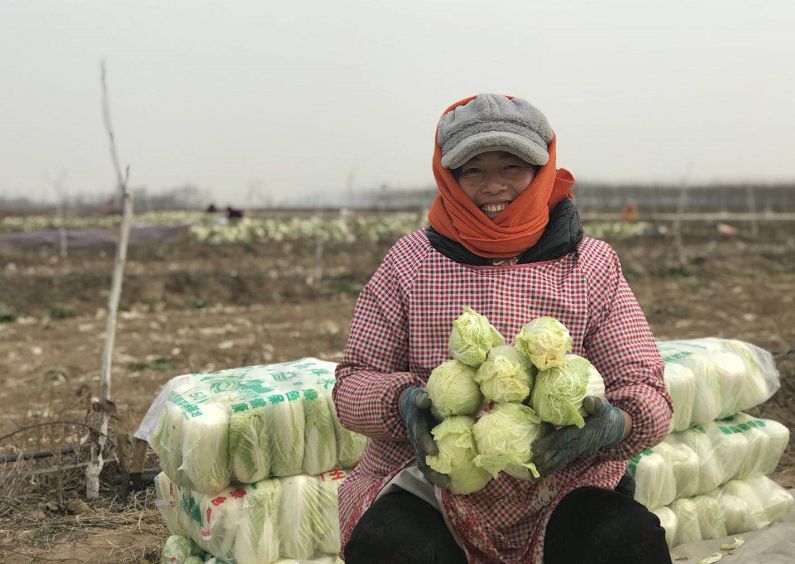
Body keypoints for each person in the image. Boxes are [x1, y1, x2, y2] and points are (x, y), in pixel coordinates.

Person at [332, 93, 674, 564]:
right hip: (434, 478)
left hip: (563, 482)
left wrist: (617, 424)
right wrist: (403, 403)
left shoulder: (591, 265)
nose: (493, 186)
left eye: (512, 166)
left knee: (622, 538)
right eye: (472, 170)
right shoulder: (409, 263)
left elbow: (648, 389)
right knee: (392, 546)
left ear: (543, 169)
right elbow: (352, 384)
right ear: (448, 178)